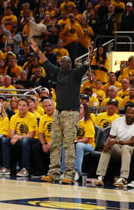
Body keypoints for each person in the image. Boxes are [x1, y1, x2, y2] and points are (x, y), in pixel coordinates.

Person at [33, 39, 93, 183]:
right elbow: (46, 63)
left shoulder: (76, 74)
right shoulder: (58, 73)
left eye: (67, 62)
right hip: (58, 112)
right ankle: (53, 172)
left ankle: (69, 175)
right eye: (62, 62)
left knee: (68, 144)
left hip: (71, 113)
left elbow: (87, 64)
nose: (64, 63)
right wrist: (38, 51)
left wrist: (90, 53)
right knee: (54, 142)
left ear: (71, 64)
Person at [95, 103, 134, 188]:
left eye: (132, 113)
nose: (129, 115)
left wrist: (117, 141)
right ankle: (100, 176)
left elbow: (132, 142)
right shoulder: (117, 121)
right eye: (127, 112)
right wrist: (107, 144)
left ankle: (123, 177)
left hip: (133, 149)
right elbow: (111, 138)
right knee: (108, 147)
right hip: (119, 147)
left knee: (126, 147)